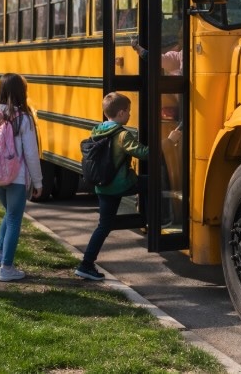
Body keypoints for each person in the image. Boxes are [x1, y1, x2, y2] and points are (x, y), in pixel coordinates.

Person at [76, 92, 179, 280]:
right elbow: (145, 153)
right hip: (120, 185)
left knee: (103, 226)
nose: (130, 115)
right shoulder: (122, 135)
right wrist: (169, 141)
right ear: (122, 113)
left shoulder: (97, 130)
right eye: (129, 112)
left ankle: (86, 264)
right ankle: (154, 219)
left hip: (102, 185)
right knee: (151, 181)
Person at [0, 73, 44, 282]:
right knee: (14, 219)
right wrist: (38, 182)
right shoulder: (23, 118)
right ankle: (6, 268)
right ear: (21, 92)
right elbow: (31, 153)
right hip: (15, 176)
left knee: (9, 214)